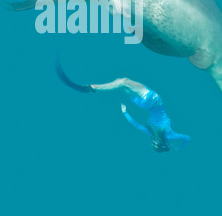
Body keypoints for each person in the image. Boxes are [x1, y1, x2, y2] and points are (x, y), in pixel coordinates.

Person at [56, 57, 190, 153]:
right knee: (121, 84)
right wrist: (124, 112)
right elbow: (135, 124)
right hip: (143, 104)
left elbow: (187, 138)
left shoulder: (170, 135)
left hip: (153, 100)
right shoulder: (151, 133)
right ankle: (92, 89)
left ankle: (91, 88)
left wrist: (179, 147)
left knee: (123, 82)